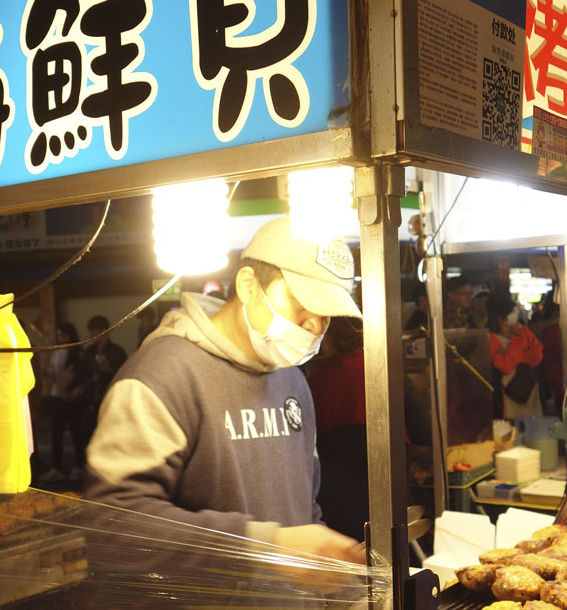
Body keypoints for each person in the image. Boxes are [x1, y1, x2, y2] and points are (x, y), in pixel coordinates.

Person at [85, 218, 364, 568]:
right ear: (248, 285)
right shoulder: (162, 377)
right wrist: (266, 543)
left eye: (327, 313)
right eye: (302, 301)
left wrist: (347, 599)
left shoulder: (292, 380)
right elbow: (115, 523)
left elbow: (303, 512)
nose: (316, 325)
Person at [307, 317, 368, 543]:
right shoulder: (380, 368)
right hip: (387, 491)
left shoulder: (315, 382)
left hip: (338, 496)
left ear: (328, 339)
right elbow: (419, 424)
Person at [68, 315, 127, 464]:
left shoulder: (117, 351)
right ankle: (88, 466)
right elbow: (82, 373)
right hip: (90, 399)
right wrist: (70, 388)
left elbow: (125, 374)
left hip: (109, 398)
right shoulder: (90, 350)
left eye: (94, 330)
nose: (91, 334)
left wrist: (110, 371)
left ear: (103, 330)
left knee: (109, 434)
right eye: (90, 331)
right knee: (88, 433)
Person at [40, 321, 83, 482]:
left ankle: (78, 467)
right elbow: (53, 375)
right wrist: (46, 372)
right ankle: (56, 468)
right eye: (59, 335)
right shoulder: (57, 352)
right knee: (56, 434)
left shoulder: (77, 351)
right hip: (57, 396)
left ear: (71, 335)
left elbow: (81, 375)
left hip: (72, 397)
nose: (61, 338)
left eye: (63, 335)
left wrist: (74, 391)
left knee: (75, 433)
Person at [489, 295, 544, 420]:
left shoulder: (523, 331)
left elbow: (538, 356)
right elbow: (505, 367)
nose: (516, 315)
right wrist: (518, 342)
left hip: (530, 391)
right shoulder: (492, 340)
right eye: (512, 312)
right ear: (501, 319)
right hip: (510, 394)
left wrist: (514, 356)